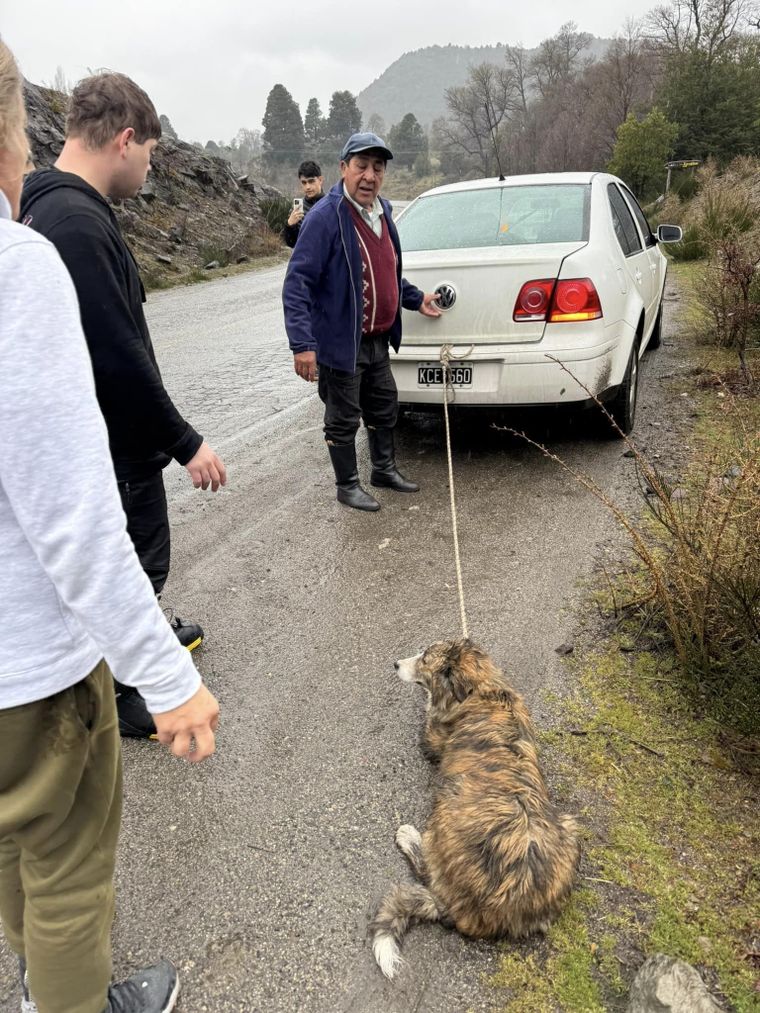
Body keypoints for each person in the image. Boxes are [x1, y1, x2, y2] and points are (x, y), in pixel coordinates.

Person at [0, 38, 219, 1013]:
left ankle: (49, 989)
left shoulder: (49, 226)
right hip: (27, 665)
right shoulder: (30, 259)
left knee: (15, 844)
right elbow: (70, 511)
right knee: (65, 864)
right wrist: (163, 673)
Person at [20, 72, 227, 740]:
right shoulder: (76, 224)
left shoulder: (48, 207)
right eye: (150, 154)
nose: (149, 168)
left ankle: (144, 640)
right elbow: (115, 356)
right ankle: (129, 691)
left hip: (104, 437)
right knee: (139, 557)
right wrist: (185, 441)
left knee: (138, 557)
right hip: (111, 445)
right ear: (126, 139)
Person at [282, 132, 442, 511]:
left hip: (377, 340)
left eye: (378, 167)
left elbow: (387, 272)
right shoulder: (324, 217)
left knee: (384, 405)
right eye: (361, 166)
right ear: (343, 168)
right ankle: (347, 485)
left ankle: (383, 470)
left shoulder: (382, 211)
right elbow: (297, 284)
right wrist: (302, 344)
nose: (370, 176)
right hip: (341, 342)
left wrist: (416, 298)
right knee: (342, 417)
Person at [281, 159, 324, 248]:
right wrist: (290, 225)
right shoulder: (298, 208)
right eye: (304, 183)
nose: (307, 187)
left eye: (311, 181)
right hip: (305, 255)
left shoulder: (331, 205)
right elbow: (291, 243)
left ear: (320, 180)